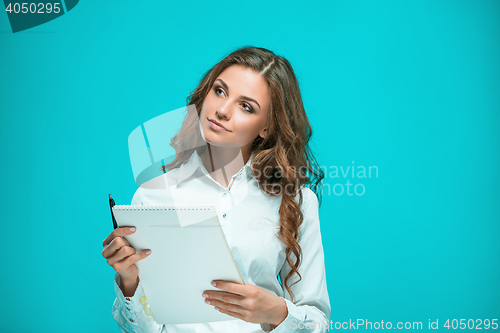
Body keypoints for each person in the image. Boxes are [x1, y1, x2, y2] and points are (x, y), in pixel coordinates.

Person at [102, 46, 330, 332]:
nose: (222, 110)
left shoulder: (296, 202)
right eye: (220, 91)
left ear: (267, 127)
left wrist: (277, 312)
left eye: (246, 106)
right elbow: (140, 329)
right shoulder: (153, 195)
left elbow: (318, 321)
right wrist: (129, 280)